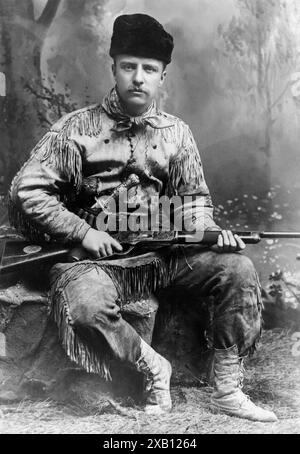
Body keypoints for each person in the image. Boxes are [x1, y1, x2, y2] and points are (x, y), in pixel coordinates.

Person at [8, 13, 277, 422]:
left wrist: (208, 232)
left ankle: (226, 388)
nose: (138, 77)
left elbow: (193, 201)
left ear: (162, 76)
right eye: (129, 66)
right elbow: (28, 190)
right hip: (95, 260)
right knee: (84, 306)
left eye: (149, 69)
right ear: (113, 67)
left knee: (237, 269)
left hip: (161, 254)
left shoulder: (176, 133)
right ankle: (153, 367)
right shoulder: (75, 129)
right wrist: (82, 231)